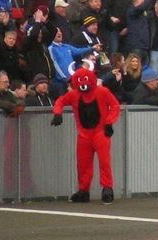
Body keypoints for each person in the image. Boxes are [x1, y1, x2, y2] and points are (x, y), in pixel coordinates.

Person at [51, 68, 121, 204]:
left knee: (104, 162)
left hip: (100, 133)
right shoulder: (74, 95)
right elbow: (60, 101)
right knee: (83, 164)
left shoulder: (102, 92)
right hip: (84, 135)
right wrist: (57, 113)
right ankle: (84, 190)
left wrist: (109, 122)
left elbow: (115, 106)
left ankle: (107, 188)